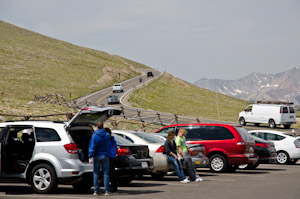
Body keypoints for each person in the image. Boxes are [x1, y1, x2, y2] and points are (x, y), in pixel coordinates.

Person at [89, 122, 110, 196]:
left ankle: (96, 190)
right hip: (105, 155)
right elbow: (109, 145)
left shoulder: (95, 135)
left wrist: (90, 156)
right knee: (106, 173)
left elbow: (92, 146)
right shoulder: (107, 135)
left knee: (96, 173)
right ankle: (106, 190)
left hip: (97, 155)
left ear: (97, 127)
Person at [105, 128, 118, 193]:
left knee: (108, 172)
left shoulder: (107, 139)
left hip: (108, 156)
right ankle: (114, 187)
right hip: (113, 156)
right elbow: (115, 147)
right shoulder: (112, 139)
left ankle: (110, 187)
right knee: (113, 172)